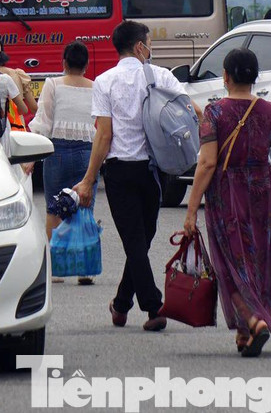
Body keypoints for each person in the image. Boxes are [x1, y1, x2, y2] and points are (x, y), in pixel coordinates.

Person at [183, 47, 271, 358]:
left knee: (229, 263)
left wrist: (190, 211)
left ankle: (254, 320)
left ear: (225, 77)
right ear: (255, 78)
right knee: (258, 261)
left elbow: (208, 164)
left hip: (227, 195)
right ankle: (244, 333)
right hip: (264, 193)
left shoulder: (214, 113)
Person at [72, 20, 192, 332]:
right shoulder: (162, 75)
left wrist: (91, 178)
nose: (151, 49)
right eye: (149, 43)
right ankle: (151, 306)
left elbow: (103, 136)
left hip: (120, 173)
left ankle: (126, 303)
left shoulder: (104, 81)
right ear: (140, 47)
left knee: (136, 242)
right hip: (154, 172)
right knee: (140, 240)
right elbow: (190, 110)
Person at [30, 41, 98, 285]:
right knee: (84, 208)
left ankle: (56, 269)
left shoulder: (53, 84)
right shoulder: (95, 87)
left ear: (64, 63)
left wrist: (32, 157)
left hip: (57, 151)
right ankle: (85, 269)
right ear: (87, 65)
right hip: (87, 152)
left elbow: (44, 120)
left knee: (53, 208)